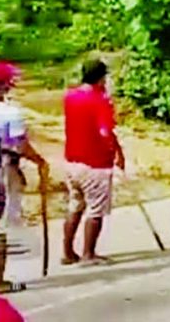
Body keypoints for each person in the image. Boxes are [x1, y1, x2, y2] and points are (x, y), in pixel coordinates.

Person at [0, 62, 48, 293]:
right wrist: (40, 161)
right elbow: (20, 145)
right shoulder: (10, 113)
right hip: (2, 170)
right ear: (4, 86)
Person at [63, 59, 125, 266]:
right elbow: (105, 131)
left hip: (72, 160)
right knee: (95, 209)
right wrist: (115, 153)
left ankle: (68, 251)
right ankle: (88, 254)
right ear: (102, 77)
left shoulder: (70, 97)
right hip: (95, 162)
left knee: (75, 205)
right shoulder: (100, 100)